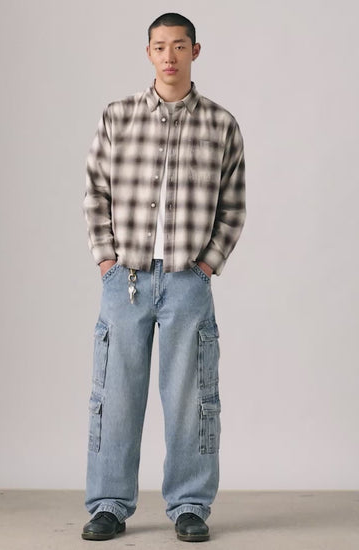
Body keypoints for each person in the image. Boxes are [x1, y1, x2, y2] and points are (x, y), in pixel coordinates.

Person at [81, 12, 246, 543]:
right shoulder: (118, 116)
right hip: (124, 279)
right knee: (115, 396)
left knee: (191, 398)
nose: (169, 56)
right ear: (148, 52)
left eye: (178, 45)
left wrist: (207, 265)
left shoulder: (221, 124)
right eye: (159, 46)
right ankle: (109, 505)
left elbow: (233, 205)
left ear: (195, 51)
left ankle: (190, 505)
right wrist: (106, 260)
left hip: (187, 282)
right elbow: (95, 192)